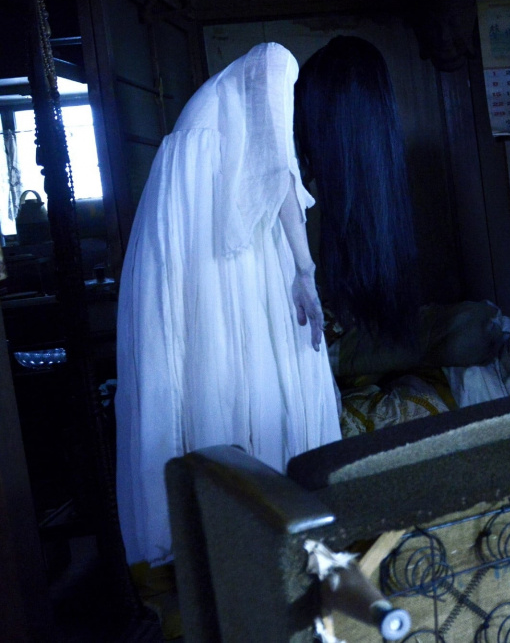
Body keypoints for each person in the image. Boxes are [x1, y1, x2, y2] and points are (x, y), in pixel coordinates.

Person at [114, 37, 419, 566]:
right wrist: (304, 269)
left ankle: (266, 542)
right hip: (212, 243)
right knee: (232, 379)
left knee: (245, 378)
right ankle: (246, 544)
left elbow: (275, 176)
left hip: (226, 240)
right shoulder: (276, 61)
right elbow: (278, 172)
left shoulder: (260, 114)